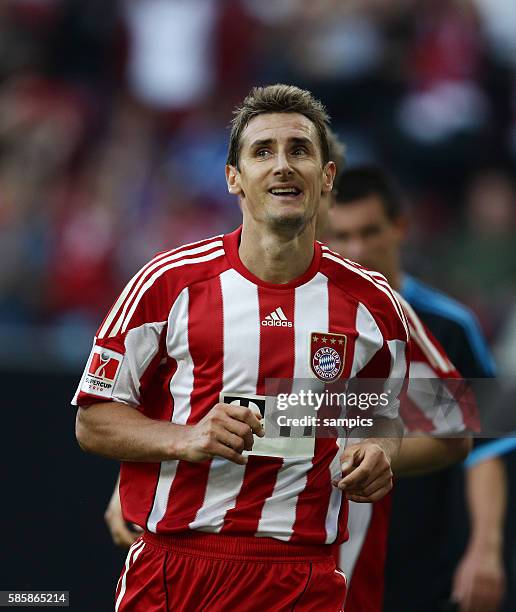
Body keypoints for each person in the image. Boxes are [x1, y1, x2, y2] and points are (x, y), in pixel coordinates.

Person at [73, 85, 410, 612]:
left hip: (300, 577)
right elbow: (92, 421)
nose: (282, 165)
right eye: (262, 151)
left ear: (326, 178)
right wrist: (184, 437)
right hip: (175, 566)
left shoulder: (376, 306)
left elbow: (385, 413)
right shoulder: (166, 284)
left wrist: (380, 453)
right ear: (234, 177)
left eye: (299, 150)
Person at [326, 165, 506, 612]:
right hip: (326, 569)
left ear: (399, 228)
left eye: (369, 232)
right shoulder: (308, 327)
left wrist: (485, 550)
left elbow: (484, 448)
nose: (357, 249)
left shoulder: (447, 328)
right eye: (342, 236)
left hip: (423, 569)